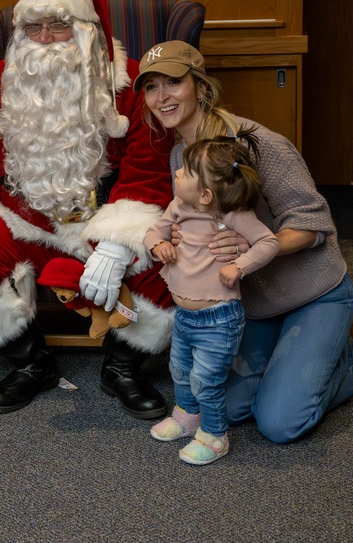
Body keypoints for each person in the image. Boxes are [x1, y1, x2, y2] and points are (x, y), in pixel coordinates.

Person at [0, 0, 176, 416]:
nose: (43, 39)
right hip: (26, 224)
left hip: (107, 225)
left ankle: (123, 366)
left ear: (87, 28)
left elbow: (152, 174)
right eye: (32, 27)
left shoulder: (134, 83)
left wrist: (118, 244)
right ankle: (29, 360)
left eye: (58, 26)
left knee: (177, 259)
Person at [136, 39, 353, 444]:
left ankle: (350, 358)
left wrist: (250, 247)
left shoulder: (259, 143)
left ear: (201, 87)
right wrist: (171, 238)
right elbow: (192, 223)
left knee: (279, 422)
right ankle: (296, 356)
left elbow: (314, 224)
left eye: (173, 81)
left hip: (312, 292)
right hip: (251, 307)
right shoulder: (179, 159)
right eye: (151, 86)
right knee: (229, 407)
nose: (161, 96)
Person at [144, 130, 280, 464]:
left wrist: (239, 265)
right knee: (179, 369)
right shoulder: (177, 206)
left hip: (219, 318)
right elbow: (152, 231)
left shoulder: (230, 215)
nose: (176, 172)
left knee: (206, 380)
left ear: (205, 196)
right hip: (185, 316)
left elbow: (268, 242)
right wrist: (157, 244)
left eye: (185, 172)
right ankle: (187, 418)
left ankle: (215, 436)